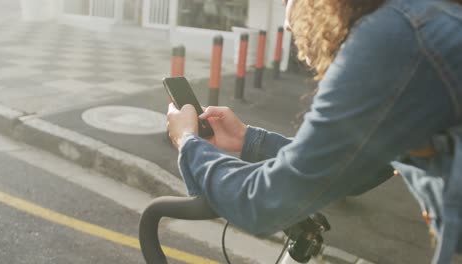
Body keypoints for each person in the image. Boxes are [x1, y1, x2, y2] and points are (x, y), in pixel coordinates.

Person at [166, 0, 462, 263]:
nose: (287, 25)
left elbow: (264, 202)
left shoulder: (390, 38)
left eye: (286, 6)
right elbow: (357, 169)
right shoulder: (412, 21)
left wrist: (188, 142)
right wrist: (247, 139)